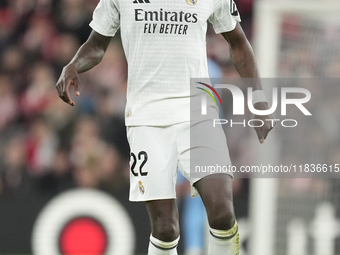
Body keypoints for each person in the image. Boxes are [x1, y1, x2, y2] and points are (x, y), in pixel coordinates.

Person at [56, 0, 275, 254]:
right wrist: (73, 64)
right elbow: (96, 45)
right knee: (165, 227)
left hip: (198, 113)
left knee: (222, 212)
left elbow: (239, 44)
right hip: (146, 119)